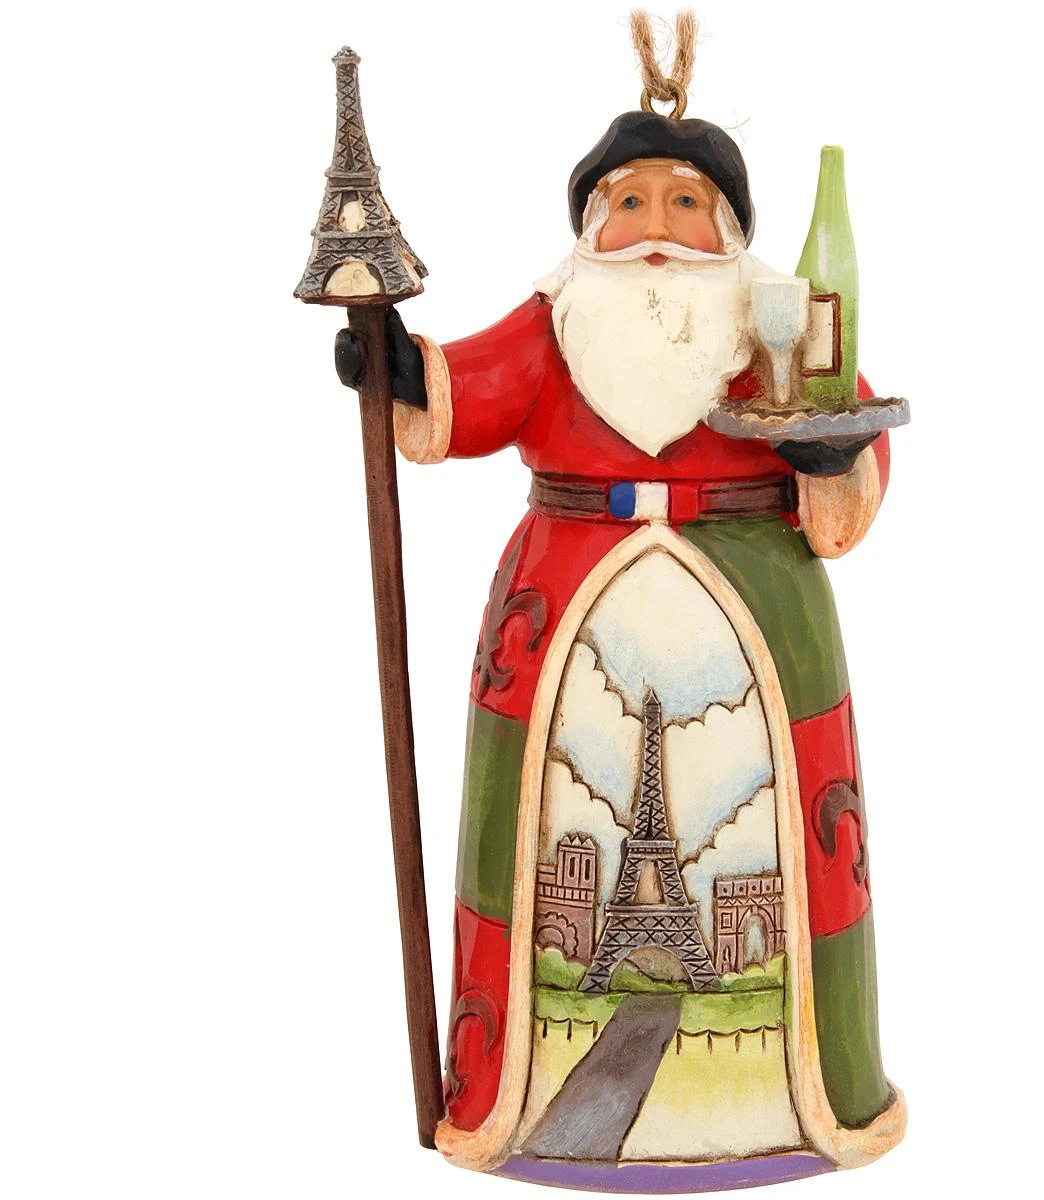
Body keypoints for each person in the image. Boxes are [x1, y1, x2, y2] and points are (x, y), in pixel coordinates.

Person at [336, 110, 905, 1186]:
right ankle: (517, 1097)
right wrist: (399, 367)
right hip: (568, 593)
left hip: (754, 589)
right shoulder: (559, 320)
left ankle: (798, 1095)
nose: (655, 228)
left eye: (685, 203)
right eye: (629, 201)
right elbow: (472, 388)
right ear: (590, 225)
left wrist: (836, 460)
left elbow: (846, 416)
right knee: (538, 819)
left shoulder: (775, 324)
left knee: (779, 837)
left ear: (729, 228)